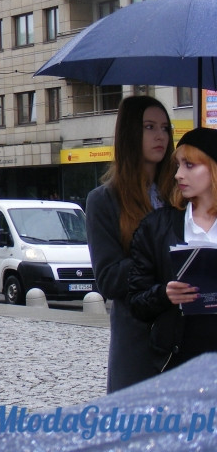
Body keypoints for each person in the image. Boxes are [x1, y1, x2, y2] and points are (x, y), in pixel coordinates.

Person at [85, 95, 176, 392]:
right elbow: (109, 278)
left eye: (165, 128)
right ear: (129, 133)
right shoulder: (104, 201)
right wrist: (161, 260)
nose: (160, 135)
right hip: (138, 342)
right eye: (149, 127)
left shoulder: (182, 195)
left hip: (185, 338)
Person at [129, 126, 217, 371]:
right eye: (177, 165)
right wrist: (164, 294)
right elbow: (136, 301)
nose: (178, 175)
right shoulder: (156, 227)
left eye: (189, 165)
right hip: (177, 362)